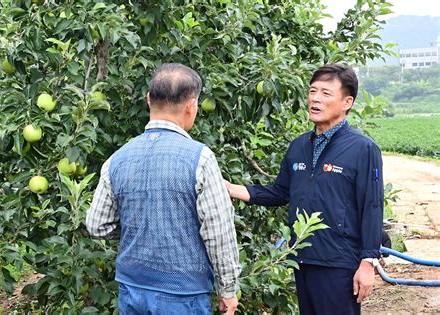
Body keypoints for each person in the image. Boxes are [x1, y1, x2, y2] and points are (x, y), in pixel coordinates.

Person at [225, 64, 383, 315]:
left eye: (326, 93)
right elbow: (279, 192)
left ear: (347, 102)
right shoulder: (299, 146)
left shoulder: (362, 148)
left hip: (339, 263)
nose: (315, 99)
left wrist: (368, 262)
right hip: (302, 258)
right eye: (312, 91)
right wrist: (232, 189)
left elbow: (372, 206)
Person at [86, 63, 241, 314]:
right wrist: (228, 289)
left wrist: (140, 227)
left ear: (149, 100)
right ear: (192, 106)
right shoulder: (200, 158)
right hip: (183, 293)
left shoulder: (117, 159)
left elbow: (97, 224)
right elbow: (218, 231)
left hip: (132, 288)